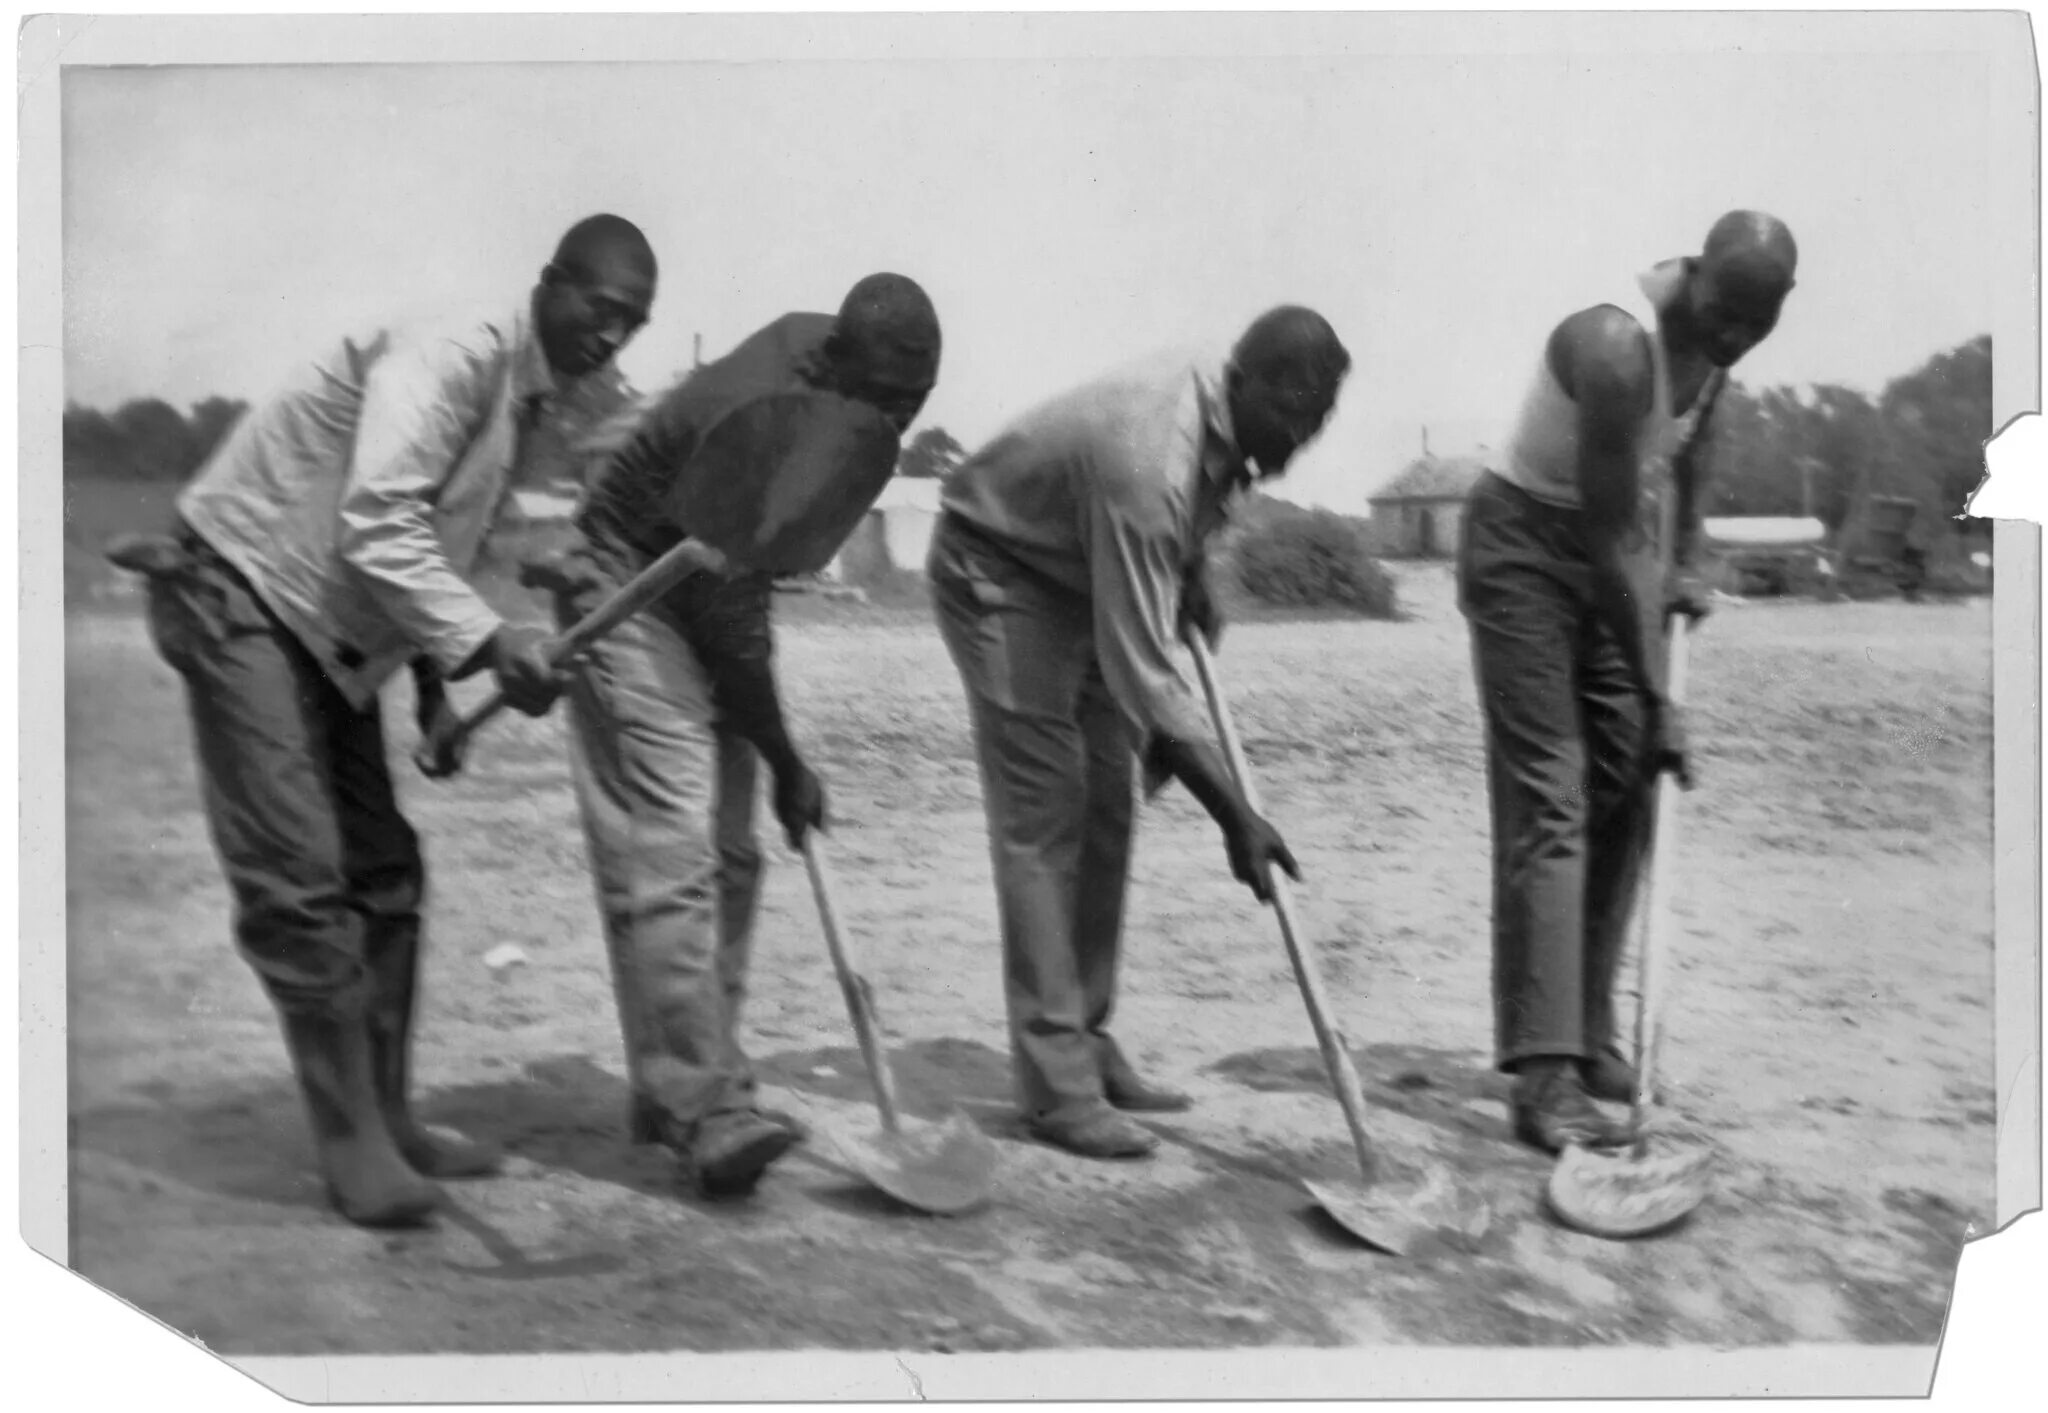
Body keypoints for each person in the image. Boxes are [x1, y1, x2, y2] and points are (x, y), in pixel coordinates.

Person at [135, 214, 657, 1227]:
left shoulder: (524, 394)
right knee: (299, 878)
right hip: (238, 592)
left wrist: (431, 683)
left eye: (632, 325)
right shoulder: (461, 349)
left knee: (386, 871)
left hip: (324, 630)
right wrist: (493, 644)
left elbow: (435, 533)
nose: (611, 338)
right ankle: (352, 1149)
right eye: (600, 310)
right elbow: (379, 521)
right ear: (549, 283)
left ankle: (388, 1116)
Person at [552, 273, 942, 1199]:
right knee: (676, 841)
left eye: (915, 401)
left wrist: (776, 756)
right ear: (842, 361)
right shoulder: (761, 411)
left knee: (733, 856)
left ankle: (689, 1086)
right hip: (624, 580)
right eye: (887, 397)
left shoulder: (843, 384)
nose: (898, 416)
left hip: (701, 577)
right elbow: (728, 611)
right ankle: (703, 1107)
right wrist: (786, 757)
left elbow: (743, 578)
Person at [930, 307, 1352, 1160]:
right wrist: (1237, 815)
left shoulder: (1230, 418)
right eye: (1291, 418)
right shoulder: (1148, 454)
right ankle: (1056, 1088)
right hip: (999, 568)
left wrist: (1193, 571)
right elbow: (1146, 669)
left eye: (1317, 426)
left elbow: (1181, 537)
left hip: (1079, 565)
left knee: (1109, 808)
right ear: (1246, 383)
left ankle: (1083, 1036)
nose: (1299, 443)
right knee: (1046, 813)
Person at [1456, 210, 1797, 1152]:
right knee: (1553, 794)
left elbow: (1697, 440)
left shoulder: (1719, 342)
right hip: (1523, 543)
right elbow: (1608, 538)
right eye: (1724, 316)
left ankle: (1590, 1027)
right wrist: (1661, 694)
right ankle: (1545, 1074)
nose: (1731, 340)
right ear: (1694, 277)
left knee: (1630, 776)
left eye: (1754, 327)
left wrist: (1689, 557)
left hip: (1608, 542)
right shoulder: (1615, 347)